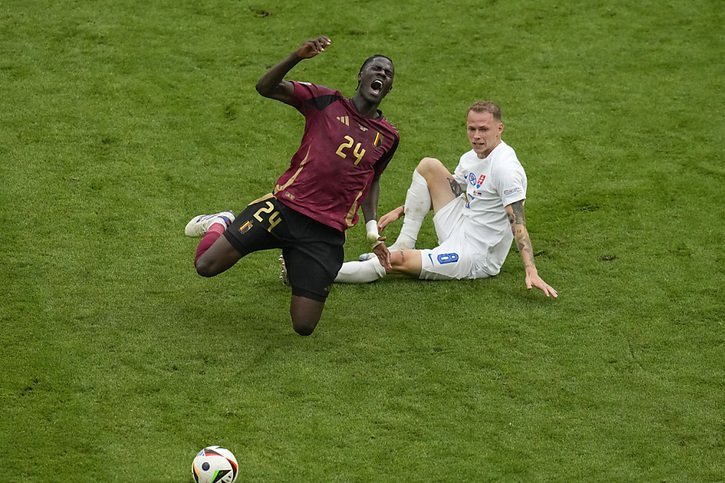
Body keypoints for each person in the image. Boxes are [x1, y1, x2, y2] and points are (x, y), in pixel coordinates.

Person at [185, 36, 399, 335]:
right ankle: (221, 222)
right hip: (284, 208)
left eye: (388, 74)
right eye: (376, 69)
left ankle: (293, 257)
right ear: (360, 76)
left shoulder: (388, 137)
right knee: (206, 266)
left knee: (303, 325)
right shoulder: (325, 101)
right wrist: (296, 56)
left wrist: (372, 229)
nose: (381, 75)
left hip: (325, 233)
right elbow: (265, 87)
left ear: (389, 88)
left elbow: (371, 178)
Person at [335, 101, 558, 298]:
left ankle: (325, 273)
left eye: (483, 129)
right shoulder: (472, 157)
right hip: (461, 224)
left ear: (500, 129)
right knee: (429, 166)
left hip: (475, 254)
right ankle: (405, 240)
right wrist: (402, 209)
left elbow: (517, 223)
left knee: (396, 261)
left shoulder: (505, 169)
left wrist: (531, 269)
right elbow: (452, 187)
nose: (476, 136)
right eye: (472, 129)